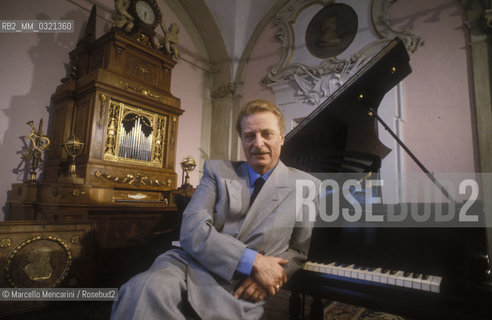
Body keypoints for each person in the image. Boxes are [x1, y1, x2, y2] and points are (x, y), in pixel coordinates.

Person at [111, 99, 319, 320]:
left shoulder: (306, 186)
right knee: (140, 290)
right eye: (250, 136)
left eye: (266, 134)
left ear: (282, 138)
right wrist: (253, 261)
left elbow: (298, 251)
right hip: (189, 265)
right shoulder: (217, 171)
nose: (258, 144)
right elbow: (192, 230)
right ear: (242, 140)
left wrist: (271, 275)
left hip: (239, 284)